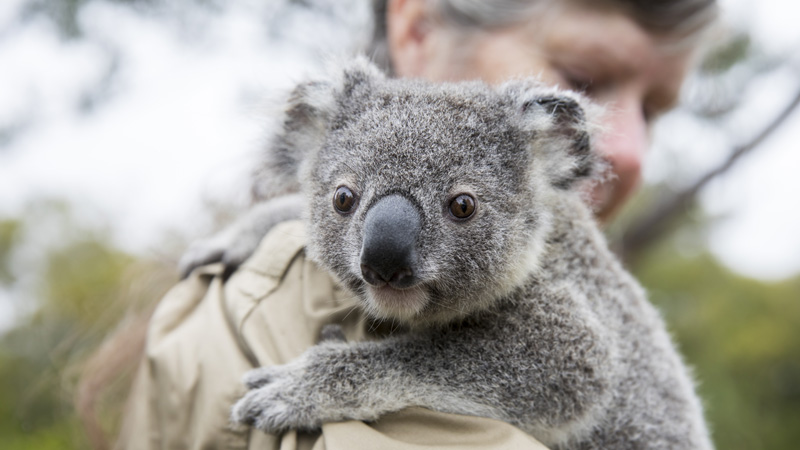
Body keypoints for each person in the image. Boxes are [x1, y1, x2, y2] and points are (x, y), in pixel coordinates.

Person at [116, 0, 718, 448]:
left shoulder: (533, 230)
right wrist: (280, 221)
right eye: (346, 200)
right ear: (416, 26)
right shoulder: (267, 294)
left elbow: (572, 370)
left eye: (462, 208)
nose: (630, 146)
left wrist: (358, 377)